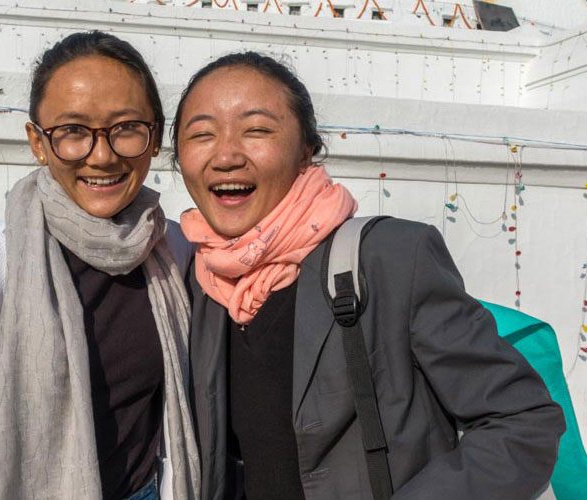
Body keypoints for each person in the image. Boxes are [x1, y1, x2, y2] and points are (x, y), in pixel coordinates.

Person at [172, 51, 565, 500]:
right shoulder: (198, 281)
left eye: (257, 130)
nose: (225, 155)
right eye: (202, 134)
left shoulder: (389, 259)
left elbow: (524, 421)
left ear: (306, 148)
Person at [0, 31, 199, 500]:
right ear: (38, 142)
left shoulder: (174, 252)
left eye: (126, 128)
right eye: (73, 131)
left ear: (153, 137)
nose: (103, 154)